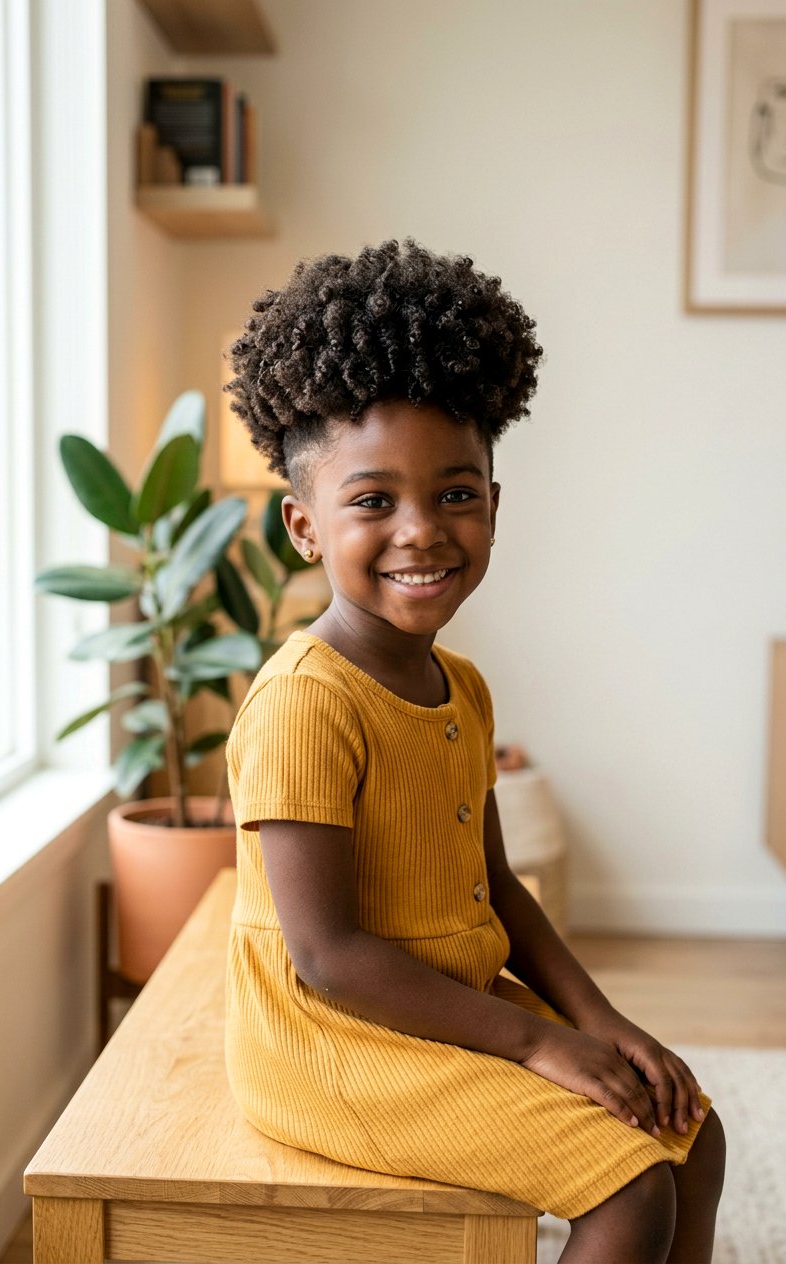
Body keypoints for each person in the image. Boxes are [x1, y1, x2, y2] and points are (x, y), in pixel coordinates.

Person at [222, 238, 725, 1263]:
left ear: (493, 504)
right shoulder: (303, 705)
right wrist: (541, 1040)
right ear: (304, 525)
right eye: (372, 500)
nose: (421, 530)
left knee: (691, 1135)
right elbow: (326, 956)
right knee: (629, 1190)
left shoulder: (464, 689)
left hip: (438, 997)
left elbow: (494, 883)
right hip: (331, 1041)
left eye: (455, 493)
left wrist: (598, 1019)